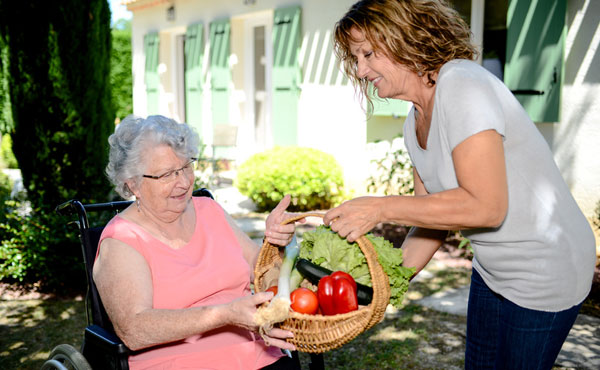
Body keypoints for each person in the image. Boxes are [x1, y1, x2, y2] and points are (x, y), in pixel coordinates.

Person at [324, 1, 596, 369]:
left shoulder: (463, 85)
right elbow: (431, 220)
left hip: (546, 266)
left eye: (368, 53)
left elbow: (486, 206)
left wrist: (381, 206)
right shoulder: (412, 123)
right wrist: (380, 286)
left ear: (406, 38)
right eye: (355, 58)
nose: (360, 69)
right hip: (493, 268)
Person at [93, 115, 300, 370]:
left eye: (185, 167)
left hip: (258, 357)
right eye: (167, 174)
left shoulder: (209, 210)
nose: (183, 182)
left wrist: (274, 243)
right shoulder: (122, 240)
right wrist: (224, 315)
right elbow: (134, 330)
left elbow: (262, 268)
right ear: (133, 184)